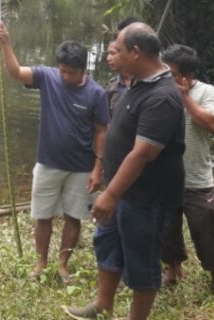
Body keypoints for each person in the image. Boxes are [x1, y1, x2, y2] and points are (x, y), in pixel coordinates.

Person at [65, 23, 185, 320]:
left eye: (118, 48)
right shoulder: (136, 83)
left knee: (142, 260)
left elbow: (142, 153)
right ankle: (103, 305)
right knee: (108, 245)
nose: (113, 53)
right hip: (120, 190)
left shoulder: (162, 97)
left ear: (135, 52)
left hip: (146, 197)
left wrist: (111, 193)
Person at [0, 21, 110, 284]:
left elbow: (102, 130)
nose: (64, 76)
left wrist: (98, 167)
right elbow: (15, 72)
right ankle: (41, 262)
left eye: (70, 72)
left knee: (73, 216)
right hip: (48, 163)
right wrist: (6, 42)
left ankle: (63, 264)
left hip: (81, 166)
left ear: (82, 70)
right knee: (42, 214)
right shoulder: (48, 77)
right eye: (62, 70)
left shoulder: (97, 93)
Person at [160, 44, 214, 300]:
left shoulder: (206, 92)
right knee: (167, 228)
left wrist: (185, 99)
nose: (163, 75)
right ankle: (172, 269)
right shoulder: (160, 92)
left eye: (169, 72)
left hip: (197, 178)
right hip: (167, 177)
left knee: (205, 228)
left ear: (186, 76)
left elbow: (213, 124)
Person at [104, 40, 132, 116]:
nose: (108, 58)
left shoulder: (144, 83)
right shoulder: (111, 85)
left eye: (112, 53)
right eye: (108, 54)